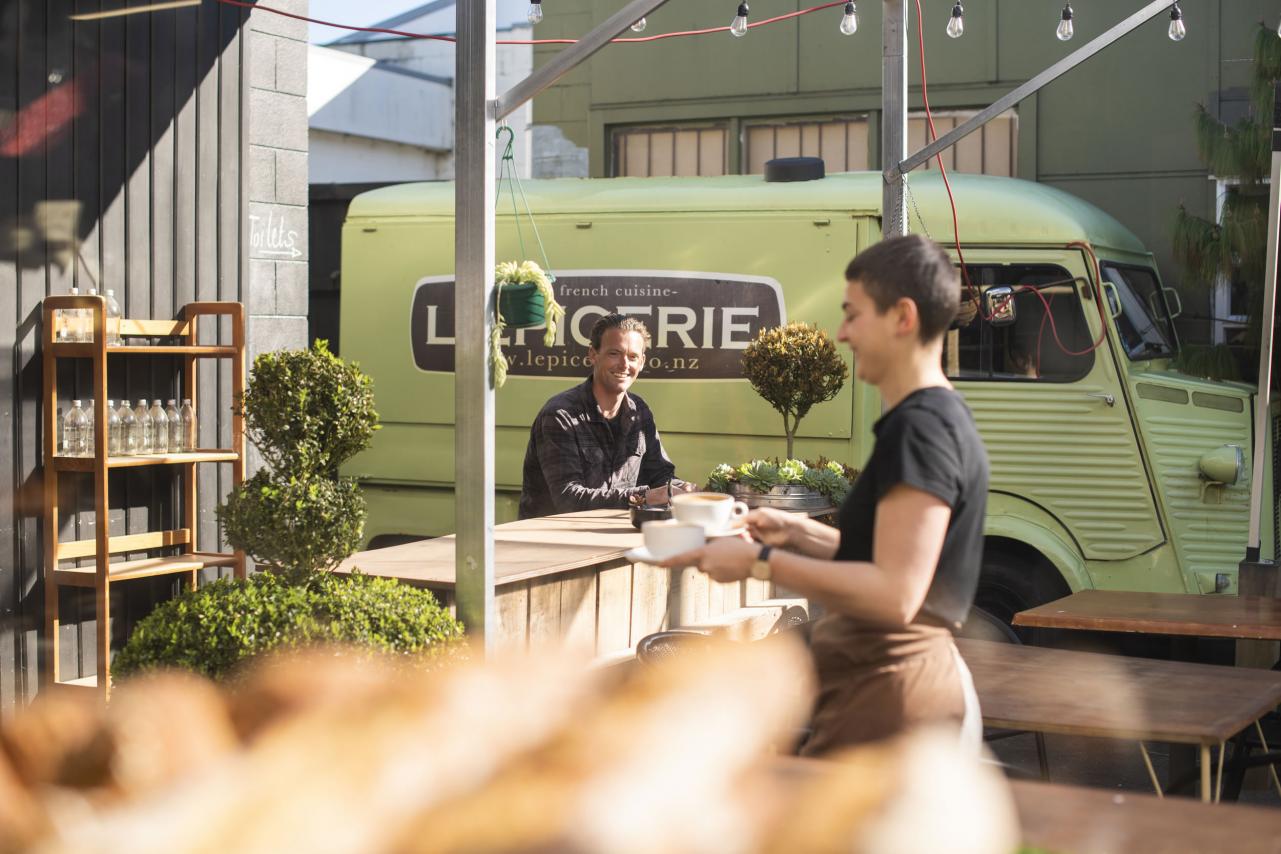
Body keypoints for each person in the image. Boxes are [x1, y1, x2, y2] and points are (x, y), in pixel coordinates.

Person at [661, 234, 989, 755]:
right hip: (887, 692)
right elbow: (891, 563)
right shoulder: (935, 417)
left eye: (853, 315)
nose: (841, 333)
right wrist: (797, 531)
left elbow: (897, 594)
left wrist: (760, 561)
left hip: (892, 701)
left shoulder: (921, 428)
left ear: (902, 317)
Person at [519, 314, 694, 519]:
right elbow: (568, 499)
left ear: (642, 362)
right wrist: (644, 497)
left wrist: (683, 489)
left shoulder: (639, 411)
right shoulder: (560, 415)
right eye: (614, 353)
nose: (624, 364)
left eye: (632, 356)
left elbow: (660, 475)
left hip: (613, 538)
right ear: (593, 354)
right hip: (549, 542)